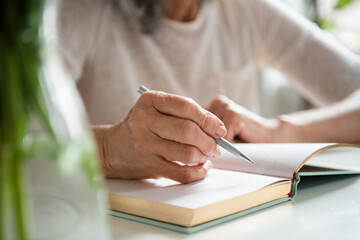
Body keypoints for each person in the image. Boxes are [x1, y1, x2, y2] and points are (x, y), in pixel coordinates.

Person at [59, 0, 360, 183]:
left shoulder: (247, 10)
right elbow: (15, 135)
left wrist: (281, 132)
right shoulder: (79, 12)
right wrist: (108, 149)